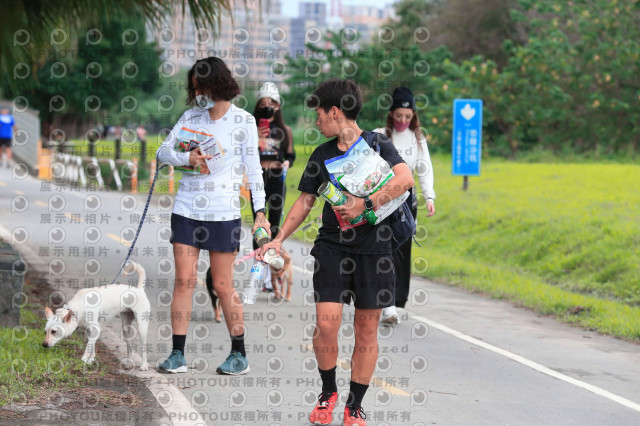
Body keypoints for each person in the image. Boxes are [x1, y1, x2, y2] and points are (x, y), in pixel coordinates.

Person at [259, 79, 414, 426]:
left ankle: (354, 405)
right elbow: (305, 201)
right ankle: (328, 392)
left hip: (377, 249)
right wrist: (278, 238)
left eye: (319, 113)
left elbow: (405, 179)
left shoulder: (378, 144)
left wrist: (365, 204)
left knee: (366, 328)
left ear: (334, 111)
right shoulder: (323, 154)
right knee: (326, 324)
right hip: (332, 246)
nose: (316, 121)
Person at [155, 56, 269, 375]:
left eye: (202, 87)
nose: (198, 94)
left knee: (222, 285)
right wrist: (185, 157)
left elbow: (254, 171)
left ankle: (239, 354)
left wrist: (260, 211)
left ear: (217, 85)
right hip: (187, 210)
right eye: (194, 89)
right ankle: (177, 354)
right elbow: (162, 153)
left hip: (223, 214)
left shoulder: (243, 121)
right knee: (184, 281)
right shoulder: (191, 117)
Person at [374, 87, 436, 325]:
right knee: (383, 251)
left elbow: (424, 169)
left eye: (407, 117)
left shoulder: (417, 138)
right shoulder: (380, 135)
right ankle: (386, 304)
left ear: (414, 117)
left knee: (400, 252)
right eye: (398, 116)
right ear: (391, 114)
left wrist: (429, 196)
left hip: (406, 201)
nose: (402, 121)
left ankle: (393, 301)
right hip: (382, 197)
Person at [251, 82, 295, 292]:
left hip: (277, 177)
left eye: (272, 103)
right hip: (258, 177)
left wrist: (286, 163)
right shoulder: (250, 127)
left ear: (278, 106)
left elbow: (290, 155)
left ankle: (271, 274)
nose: (268, 106)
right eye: (264, 102)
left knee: (275, 226)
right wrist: (257, 136)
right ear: (258, 105)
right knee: (259, 227)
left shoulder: (284, 130)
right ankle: (259, 275)